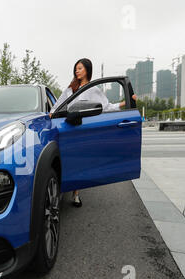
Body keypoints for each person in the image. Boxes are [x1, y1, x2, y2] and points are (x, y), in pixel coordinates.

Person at [50, 58, 137, 208]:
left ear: (87, 70)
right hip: (68, 128)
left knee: (78, 161)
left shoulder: (93, 90)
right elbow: (56, 107)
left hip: (84, 129)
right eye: (76, 68)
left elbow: (107, 107)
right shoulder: (70, 89)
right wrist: (50, 115)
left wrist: (125, 103)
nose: (77, 71)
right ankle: (61, 189)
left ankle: (76, 194)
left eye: (80, 68)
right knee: (67, 161)